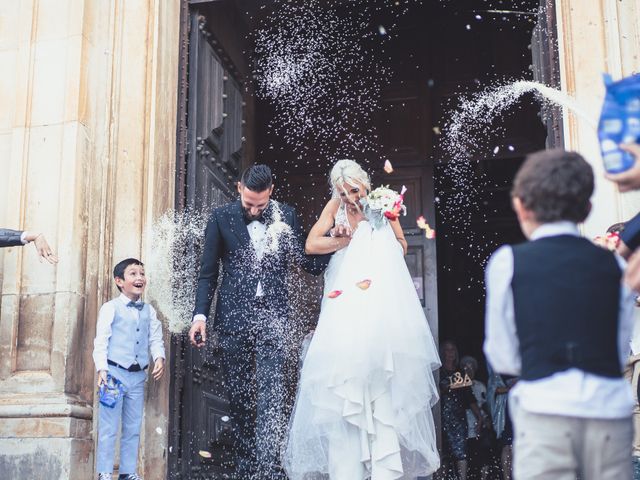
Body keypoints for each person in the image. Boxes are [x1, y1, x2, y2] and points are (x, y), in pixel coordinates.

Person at [283, 159, 441, 480]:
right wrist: (345, 239)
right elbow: (312, 245)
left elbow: (401, 244)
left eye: (353, 190)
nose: (349, 197)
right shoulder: (334, 207)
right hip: (343, 311)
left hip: (378, 308)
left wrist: (375, 245)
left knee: (377, 381)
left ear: (365, 185)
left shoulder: (383, 202)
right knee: (344, 383)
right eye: (342, 192)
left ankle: (382, 467)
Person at [484, 149, 636, 480]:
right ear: (588, 209)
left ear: (521, 206)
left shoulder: (507, 262)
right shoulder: (613, 264)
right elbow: (619, 349)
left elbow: (503, 356)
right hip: (607, 412)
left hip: (544, 410)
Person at [188, 164, 329, 479]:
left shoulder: (286, 215)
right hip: (234, 320)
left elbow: (308, 261)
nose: (253, 210)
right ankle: (245, 467)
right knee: (239, 396)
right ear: (239, 188)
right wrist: (200, 316)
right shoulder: (220, 218)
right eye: (249, 203)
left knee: (273, 394)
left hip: (273, 319)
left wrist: (336, 242)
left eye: (260, 205)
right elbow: (208, 273)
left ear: (271, 192)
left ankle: (270, 467)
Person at [92, 258, 166, 480]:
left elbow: (155, 338)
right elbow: (101, 341)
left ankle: (127, 472)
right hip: (113, 375)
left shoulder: (149, 311)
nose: (140, 278)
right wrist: (101, 369)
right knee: (108, 426)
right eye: (133, 273)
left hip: (137, 376)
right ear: (119, 281)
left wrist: (159, 357)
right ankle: (105, 472)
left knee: (133, 427)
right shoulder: (110, 308)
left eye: (142, 273)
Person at [439, 342, 483, 480]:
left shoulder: (460, 373)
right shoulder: (438, 371)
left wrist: (480, 417)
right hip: (442, 418)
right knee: (443, 455)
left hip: (458, 418)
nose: (450, 352)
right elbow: (441, 388)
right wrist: (460, 381)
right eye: (447, 350)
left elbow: (470, 398)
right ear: (443, 352)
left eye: (453, 349)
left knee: (461, 453)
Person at [460, 355, 491, 480]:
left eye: (472, 368)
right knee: (468, 454)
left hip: (480, 423)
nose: (469, 371)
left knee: (483, 454)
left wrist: (486, 419)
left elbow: (486, 405)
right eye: (466, 368)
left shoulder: (480, 386)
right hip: (464, 423)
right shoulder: (460, 385)